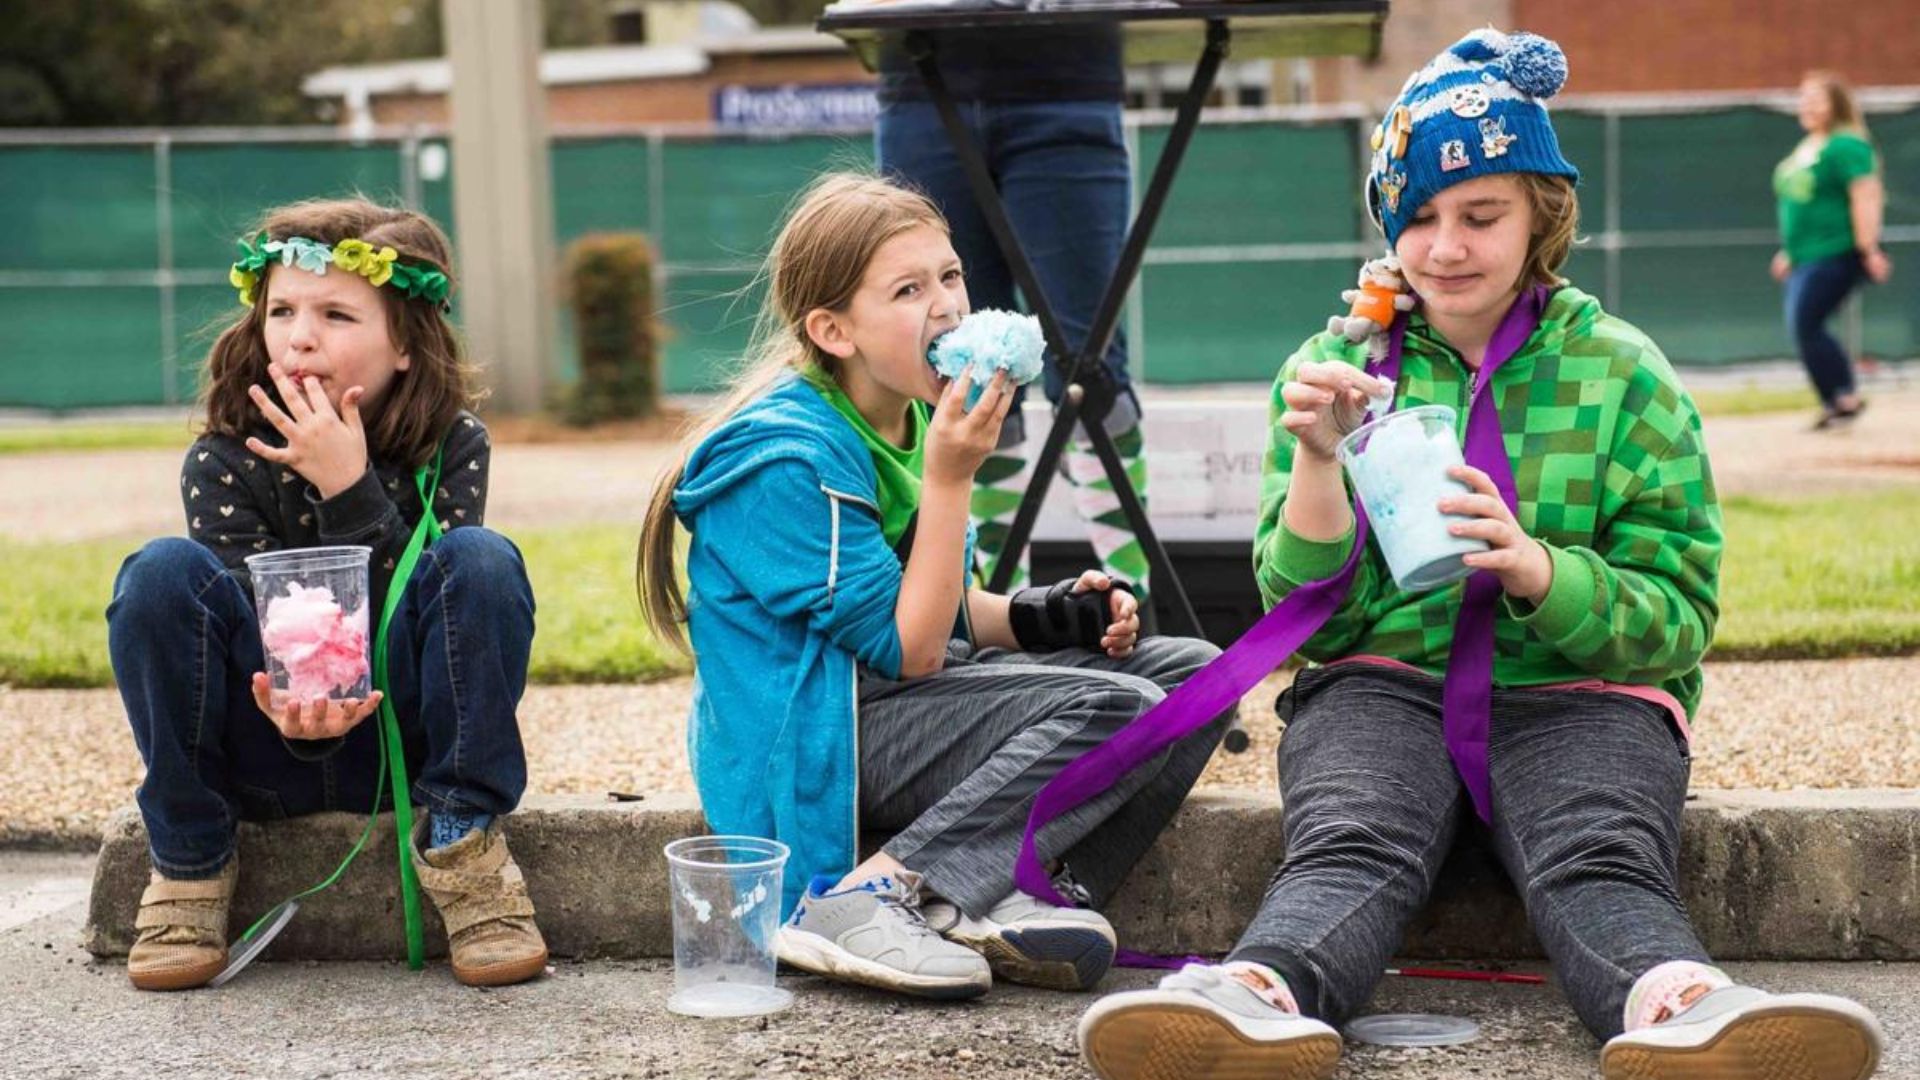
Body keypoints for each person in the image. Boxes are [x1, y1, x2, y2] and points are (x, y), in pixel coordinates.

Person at [1076, 31, 1886, 1080]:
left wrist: (1539, 569)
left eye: (1481, 215)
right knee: (1349, 841)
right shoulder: (1334, 367)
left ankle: (1687, 1009)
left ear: (1543, 214)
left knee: (1598, 854)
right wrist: (1319, 463)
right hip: (1384, 682)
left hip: (1581, 688)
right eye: (1416, 215)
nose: (1445, 245)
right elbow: (1301, 611)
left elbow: (1679, 614)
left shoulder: (1622, 374)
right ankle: (1255, 998)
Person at [636, 173, 1229, 1000]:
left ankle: (1017, 890)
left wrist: (1052, 617)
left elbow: (949, 610)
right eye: (908, 289)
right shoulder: (784, 458)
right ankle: (867, 896)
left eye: (950, 276)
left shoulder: (912, 418)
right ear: (833, 330)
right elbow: (912, 650)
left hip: (900, 701)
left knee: (1199, 673)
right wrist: (952, 480)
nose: (946, 304)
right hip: (818, 734)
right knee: (1112, 708)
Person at [108, 198, 547, 991]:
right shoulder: (223, 458)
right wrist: (293, 707)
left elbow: (436, 608)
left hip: (400, 754)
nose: (300, 334)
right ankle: (189, 865)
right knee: (159, 573)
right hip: (265, 746)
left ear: (407, 346)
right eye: (281, 310)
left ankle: (463, 846)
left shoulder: (451, 446)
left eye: (337, 314)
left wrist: (350, 487)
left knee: (480, 561)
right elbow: (255, 619)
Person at [874, 28, 1152, 599]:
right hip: (920, 76)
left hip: (1068, 82)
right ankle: (992, 609)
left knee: (1091, 378)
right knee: (968, 376)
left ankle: (1139, 604)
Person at [1773, 70, 1892, 430]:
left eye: (1816, 98)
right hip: (1805, 255)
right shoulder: (1807, 147)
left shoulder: (1846, 145)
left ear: (1836, 104)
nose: (1806, 105)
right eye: (1803, 98)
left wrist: (1868, 247)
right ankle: (1836, 399)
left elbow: (1865, 194)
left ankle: (1843, 395)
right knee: (1802, 325)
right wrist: (1789, 252)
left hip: (1835, 250)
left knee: (1806, 321)